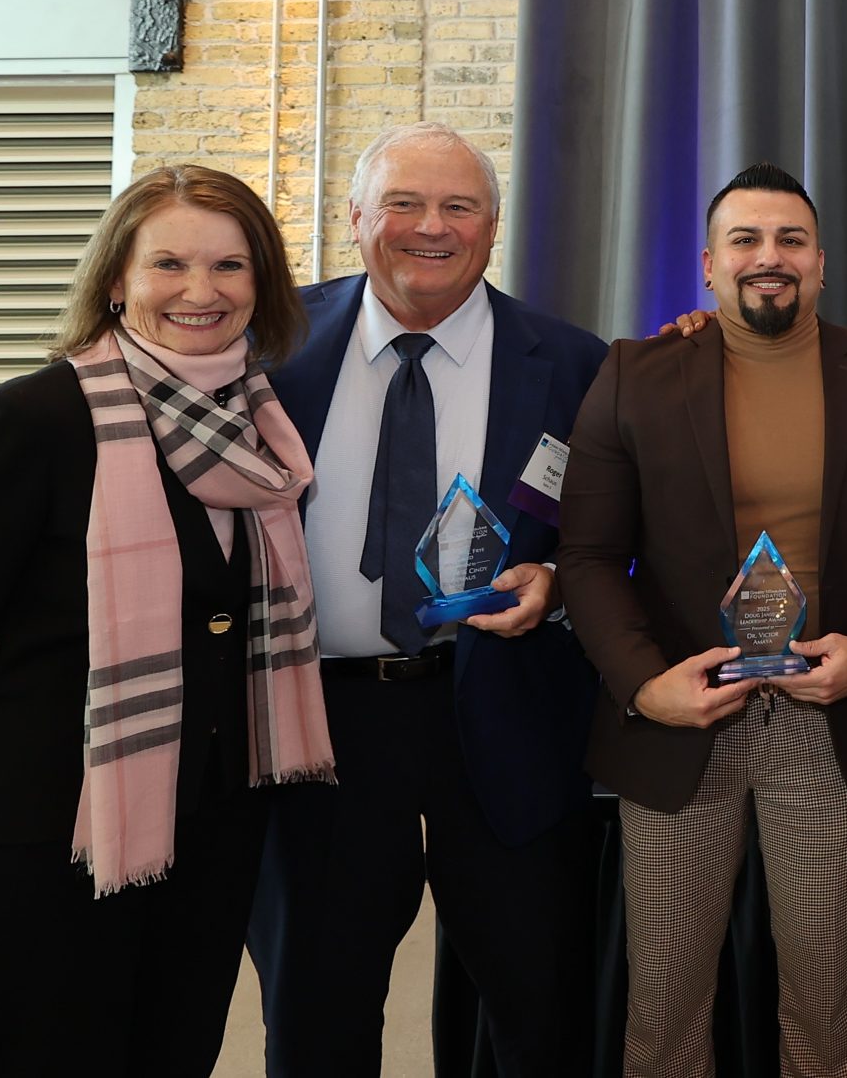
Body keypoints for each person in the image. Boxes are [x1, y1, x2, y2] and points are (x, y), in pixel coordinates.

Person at [0, 164, 330, 1075]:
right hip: (30, 854)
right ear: (116, 281)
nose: (201, 290)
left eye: (230, 265)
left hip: (202, 850)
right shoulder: (30, 423)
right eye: (168, 263)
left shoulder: (259, 430)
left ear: (262, 284)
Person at [556, 162, 847, 1078]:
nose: (769, 257)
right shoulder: (635, 374)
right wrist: (644, 685)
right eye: (745, 239)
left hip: (826, 719)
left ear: (821, 262)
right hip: (683, 719)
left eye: (790, 239)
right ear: (708, 264)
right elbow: (588, 556)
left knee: (825, 999)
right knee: (664, 1003)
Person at [247, 122, 609, 1076]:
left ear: (493, 225)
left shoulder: (576, 364)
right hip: (320, 724)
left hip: (504, 713)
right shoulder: (271, 346)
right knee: (316, 1008)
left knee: (536, 1006)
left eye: (458, 206)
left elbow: (621, 537)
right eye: (402, 203)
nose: (431, 227)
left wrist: (560, 582)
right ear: (355, 216)